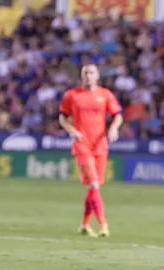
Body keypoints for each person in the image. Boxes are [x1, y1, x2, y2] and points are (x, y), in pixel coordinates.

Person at [59, 64, 123, 237]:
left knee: (94, 188)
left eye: (91, 72)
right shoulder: (72, 95)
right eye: (85, 72)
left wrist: (115, 128)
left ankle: (84, 225)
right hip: (82, 146)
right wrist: (72, 131)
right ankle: (103, 224)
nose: (88, 75)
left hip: (100, 146)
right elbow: (62, 117)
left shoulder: (105, 94)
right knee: (93, 184)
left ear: (97, 76)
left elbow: (117, 115)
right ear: (81, 76)